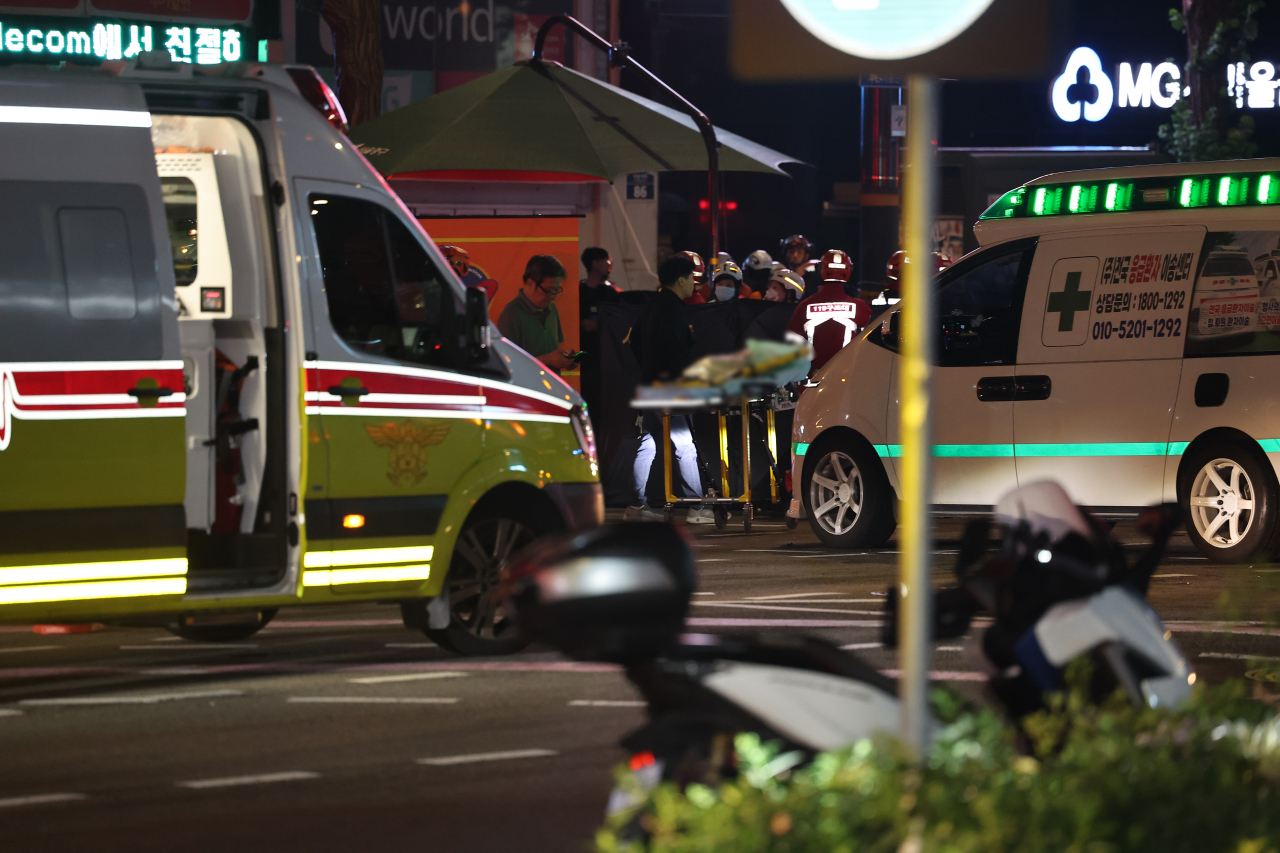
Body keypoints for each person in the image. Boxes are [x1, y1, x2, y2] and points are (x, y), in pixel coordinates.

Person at [626, 254, 713, 523]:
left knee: (648, 445)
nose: (694, 283)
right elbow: (679, 353)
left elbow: (635, 341)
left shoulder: (653, 306)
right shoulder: (673, 310)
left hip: (650, 387)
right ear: (680, 280)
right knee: (685, 447)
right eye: (691, 277)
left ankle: (636, 507)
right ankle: (697, 509)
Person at [786, 249, 871, 375]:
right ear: (848, 271)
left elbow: (791, 344)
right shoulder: (859, 307)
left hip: (810, 380)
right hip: (846, 378)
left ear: (821, 269)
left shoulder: (804, 306)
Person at [496, 254, 576, 373]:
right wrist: (547, 360)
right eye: (549, 290)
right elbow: (505, 363)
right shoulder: (511, 314)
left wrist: (565, 361)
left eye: (557, 290)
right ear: (530, 283)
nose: (553, 296)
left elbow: (551, 350)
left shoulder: (552, 308)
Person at [578, 247, 620, 417]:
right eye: (605, 261)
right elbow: (585, 325)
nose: (609, 266)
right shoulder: (579, 292)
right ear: (594, 263)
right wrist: (603, 324)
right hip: (586, 358)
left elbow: (616, 323)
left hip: (607, 358)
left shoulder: (610, 293)